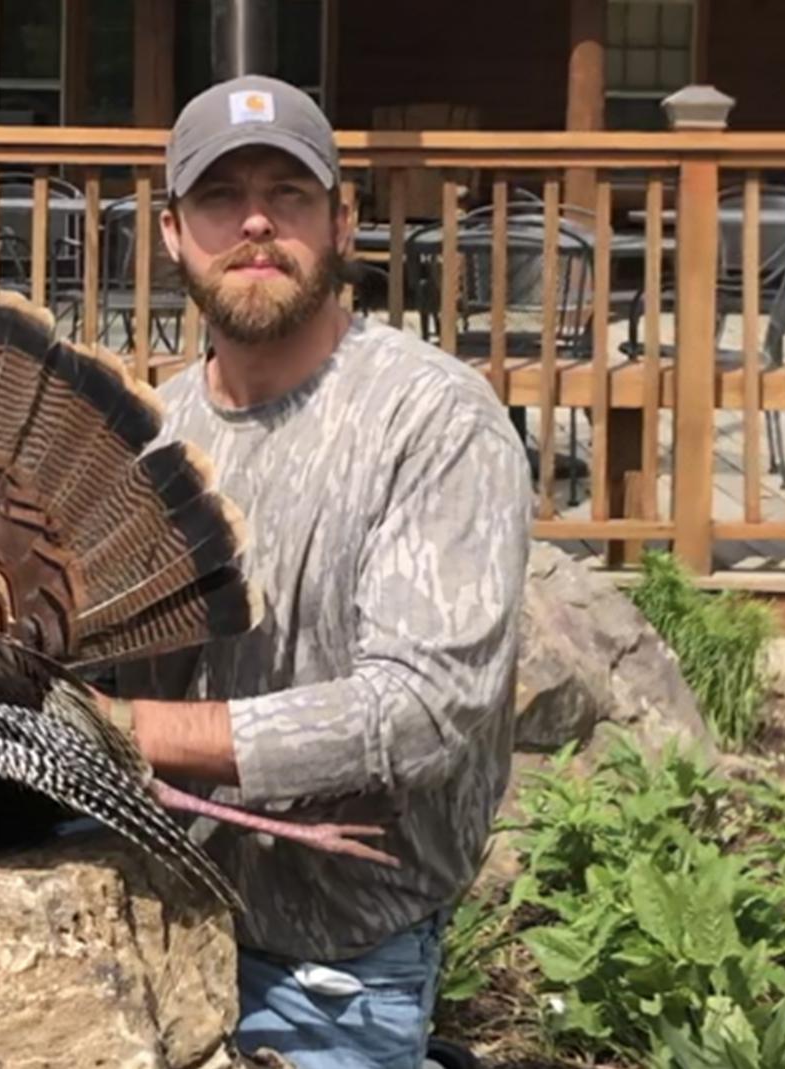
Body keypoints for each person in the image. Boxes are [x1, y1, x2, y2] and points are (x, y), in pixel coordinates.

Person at [100, 75, 533, 1069]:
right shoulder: (148, 436)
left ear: (342, 220)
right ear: (173, 233)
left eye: (289, 193)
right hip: (155, 920)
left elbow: (420, 712)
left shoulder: (433, 419)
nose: (255, 221)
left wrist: (130, 734)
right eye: (220, 197)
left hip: (338, 965)